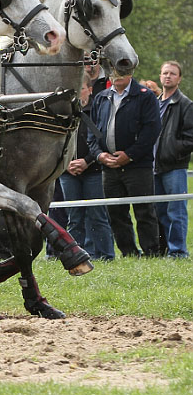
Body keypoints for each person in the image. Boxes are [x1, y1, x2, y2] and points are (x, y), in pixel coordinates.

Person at [87, 72, 161, 257]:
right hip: (109, 168)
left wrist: (130, 155)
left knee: (144, 212)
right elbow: (92, 134)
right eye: (113, 72)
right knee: (116, 214)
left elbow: (152, 131)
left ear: (131, 73)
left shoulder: (145, 95)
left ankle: (151, 253)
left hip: (138, 167)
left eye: (121, 72)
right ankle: (128, 253)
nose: (117, 75)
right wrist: (100, 155)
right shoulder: (101, 98)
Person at [59, 72, 115, 260]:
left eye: (81, 88)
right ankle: (77, 256)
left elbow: (101, 140)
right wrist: (66, 164)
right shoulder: (62, 113)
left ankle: (106, 255)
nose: (78, 93)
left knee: (97, 214)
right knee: (74, 217)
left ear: (89, 90)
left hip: (94, 170)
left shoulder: (97, 110)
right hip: (67, 173)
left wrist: (87, 161)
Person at [154, 61, 193, 258]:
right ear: (160, 76)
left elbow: (190, 138)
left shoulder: (185, 104)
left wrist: (172, 150)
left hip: (174, 167)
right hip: (154, 166)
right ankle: (166, 249)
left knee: (176, 212)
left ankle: (178, 251)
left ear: (179, 78)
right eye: (165, 73)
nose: (168, 76)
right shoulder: (154, 103)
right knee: (160, 211)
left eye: (172, 73)